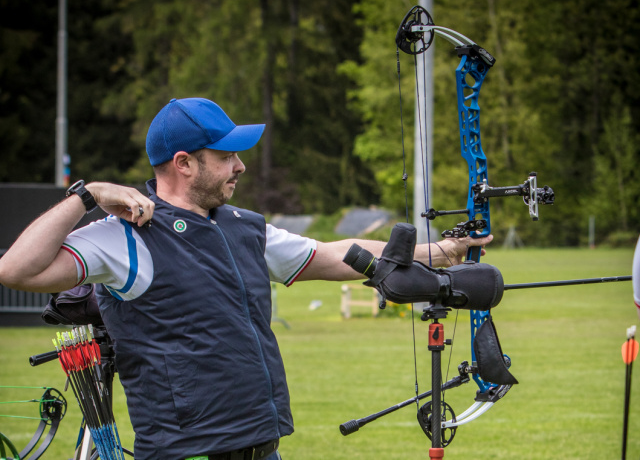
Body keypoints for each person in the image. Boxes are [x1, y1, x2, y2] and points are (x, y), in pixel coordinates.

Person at [0, 98, 492, 459]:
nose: (240, 165)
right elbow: (16, 269)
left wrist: (441, 252)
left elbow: (334, 253)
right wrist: (88, 196)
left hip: (261, 442)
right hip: (188, 450)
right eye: (226, 156)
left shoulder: (242, 227)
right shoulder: (123, 236)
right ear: (185, 163)